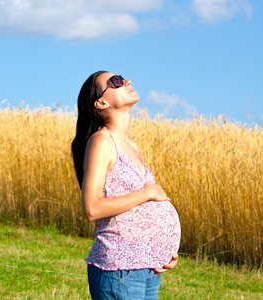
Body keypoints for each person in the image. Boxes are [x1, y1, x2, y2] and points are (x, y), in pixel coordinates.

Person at [71, 71, 181, 300]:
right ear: (101, 102)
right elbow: (91, 208)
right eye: (116, 82)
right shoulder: (101, 142)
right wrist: (146, 192)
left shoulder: (131, 145)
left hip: (145, 267)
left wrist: (161, 251)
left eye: (122, 77)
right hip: (119, 268)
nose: (127, 81)